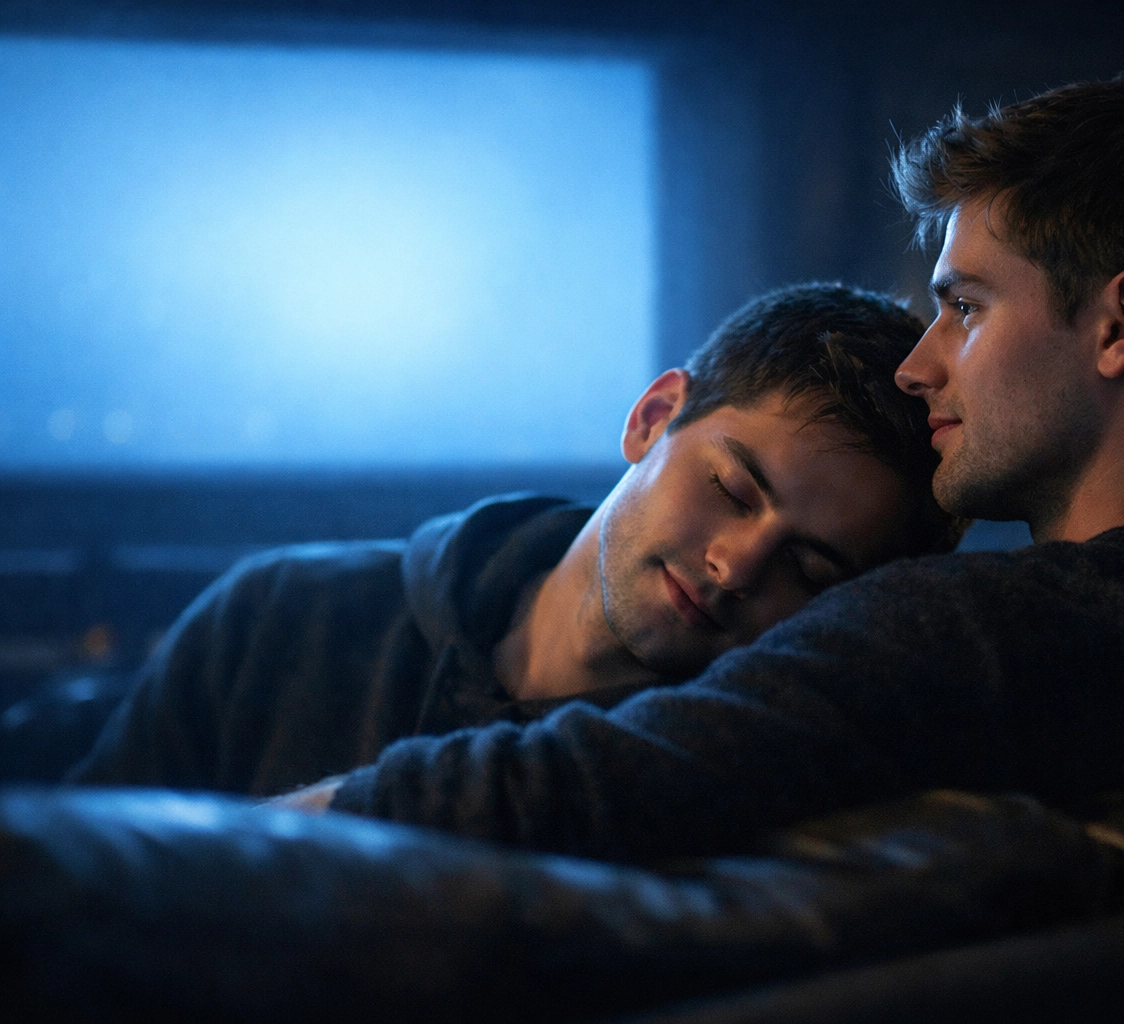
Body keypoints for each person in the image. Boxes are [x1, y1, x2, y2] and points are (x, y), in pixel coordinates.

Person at [270, 74, 1124, 859]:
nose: (922, 366)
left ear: (1123, 323)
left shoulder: (966, 641)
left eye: (966, 307)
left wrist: (192, 843)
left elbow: (576, 785)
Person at [69, 283, 963, 797]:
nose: (737, 566)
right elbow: (66, 887)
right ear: (654, 419)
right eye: (731, 489)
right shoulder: (282, 616)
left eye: (808, 569)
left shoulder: (712, 786)